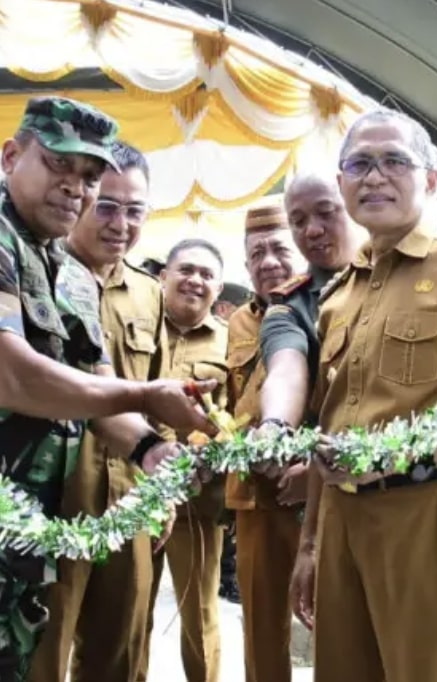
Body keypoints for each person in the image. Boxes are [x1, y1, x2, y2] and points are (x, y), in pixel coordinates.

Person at [0, 96, 215, 681]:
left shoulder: (70, 274)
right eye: (59, 165)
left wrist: (151, 450)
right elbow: (11, 377)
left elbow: (96, 387)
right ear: (11, 157)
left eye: (88, 176)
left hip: (35, 527)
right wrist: (144, 396)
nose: (75, 188)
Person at [291, 108, 437, 682]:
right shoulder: (338, 296)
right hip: (344, 522)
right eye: (360, 164)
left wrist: (401, 457)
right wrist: (311, 543)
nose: (375, 177)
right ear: (342, 181)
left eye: (395, 160)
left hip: (431, 517)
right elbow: (329, 427)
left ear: (429, 180)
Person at [28, 141, 160, 682]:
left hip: (129, 503)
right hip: (50, 502)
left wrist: (162, 492)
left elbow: (155, 396)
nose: (120, 224)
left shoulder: (150, 294)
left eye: (135, 210)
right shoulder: (36, 275)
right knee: (41, 650)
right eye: (107, 205)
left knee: (120, 655)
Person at [237, 179, 363, 682]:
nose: (313, 230)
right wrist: (272, 428)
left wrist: (312, 469)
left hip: (373, 493)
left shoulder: (403, 281)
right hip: (270, 496)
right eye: (299, 221)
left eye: (325, 214)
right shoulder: (287, 309)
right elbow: (286, 370)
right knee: (277, 635)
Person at [140, 239, 231, 682]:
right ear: (163, 276)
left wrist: (205, 449)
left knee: (199, 613)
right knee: (127, 610)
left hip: (198, 497)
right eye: (186, 270)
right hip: (130, 492)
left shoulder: (230, 343)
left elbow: (236, 417)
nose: (195, 281)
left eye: (207, 275)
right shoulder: (136, 326)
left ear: (217, 289)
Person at [221, 206, 298, 613]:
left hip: (307, 490)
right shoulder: (236, 322)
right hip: (251, 494)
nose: (268, 262)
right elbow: (230, 402)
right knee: (261, 626)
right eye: (256, 253)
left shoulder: (325, 306)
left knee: (333, 626)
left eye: (279, 249)